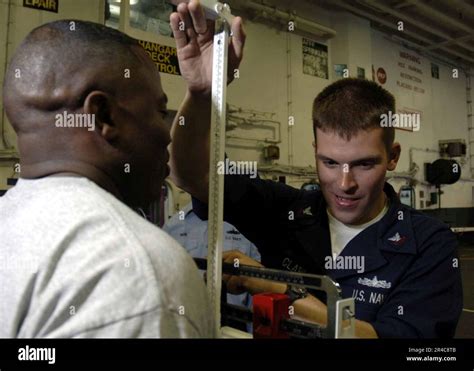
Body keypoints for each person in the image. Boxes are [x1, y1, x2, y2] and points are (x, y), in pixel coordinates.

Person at [168, 1, 463, 338]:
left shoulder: (428, 245)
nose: (345, 183)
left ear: (393, 156)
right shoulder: (286, 212)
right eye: (330, 163)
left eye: (364, 164)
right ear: (316, 153)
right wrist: (203, 94)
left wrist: (274, 284)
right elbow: (191, 175)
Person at [0, 17, 244, 337]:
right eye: (159, 112)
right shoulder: (137, 273)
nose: (167, 135)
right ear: (103, 116)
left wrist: (203, 94)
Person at [164, 199, 261, 308]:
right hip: (186, 320)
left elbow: (256, 289)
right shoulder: (172, 227)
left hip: (233, 321)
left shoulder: (248, 224)